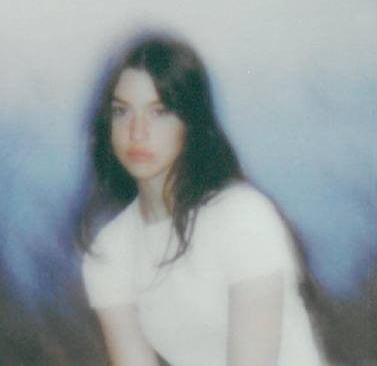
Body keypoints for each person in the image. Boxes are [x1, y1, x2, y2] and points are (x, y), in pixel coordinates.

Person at [78, 32, 325, 366]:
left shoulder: (242, 217)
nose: (137, 131)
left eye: (159, 111)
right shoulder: (108, 253)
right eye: (122, 111)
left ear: (191, 122)